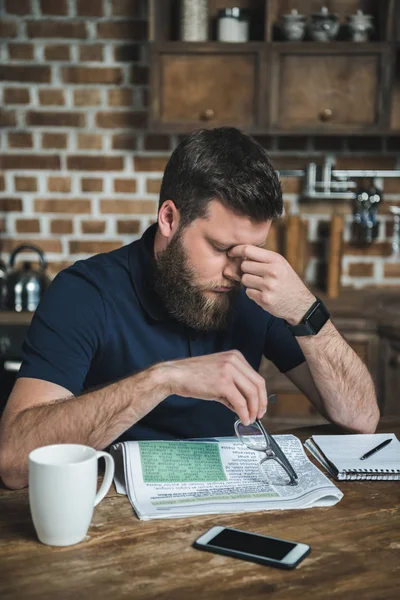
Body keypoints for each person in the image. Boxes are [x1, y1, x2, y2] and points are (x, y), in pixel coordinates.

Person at [0, 127, 379, 489]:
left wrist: (305, 310)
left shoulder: (254, 289)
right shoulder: (85, 292)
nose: (236, 270)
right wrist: (163, 380)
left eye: (252, 250)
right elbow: (14, 462)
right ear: (169, 218)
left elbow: (362, 420)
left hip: (226, 503)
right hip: (111, 517)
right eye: (220, 248)